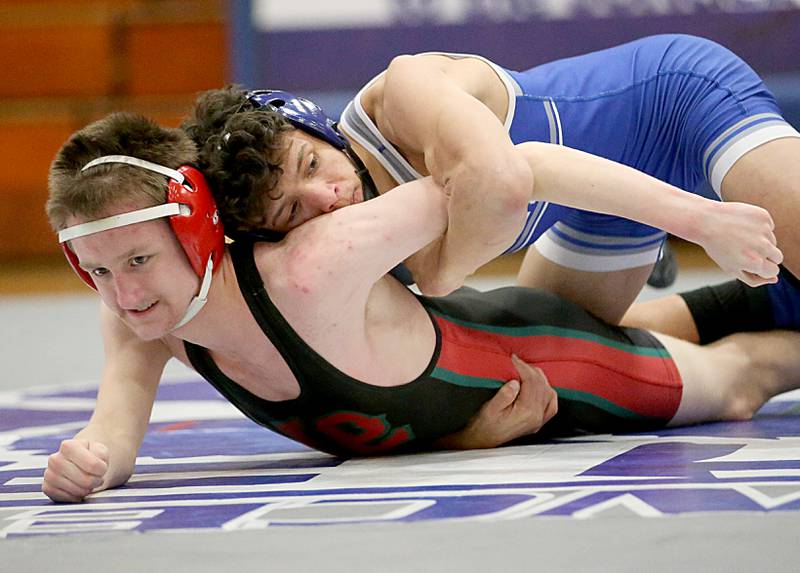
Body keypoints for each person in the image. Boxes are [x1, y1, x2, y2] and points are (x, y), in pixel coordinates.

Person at [42, 113, 800, 503]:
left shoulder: (311, 267)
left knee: (741, 380)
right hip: (482, 375)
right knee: (666, 329)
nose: (124, 292)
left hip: (544, 362)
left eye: (138, 259)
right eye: (96, 269)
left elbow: (516, 170)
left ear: (197, 224)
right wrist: (90, 465)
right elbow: (114, 434)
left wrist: (701, 222)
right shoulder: (142, 319)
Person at [182, 33, 797, 330]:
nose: (325, 199)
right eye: (292, 212)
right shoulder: (323, 246)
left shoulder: (403, 93)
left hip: (681, 100)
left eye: (311, 167)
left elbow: (508, 179)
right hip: (597, 205)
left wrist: (438, 273)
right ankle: (775, 307)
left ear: (317, 128)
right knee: (564, 367)